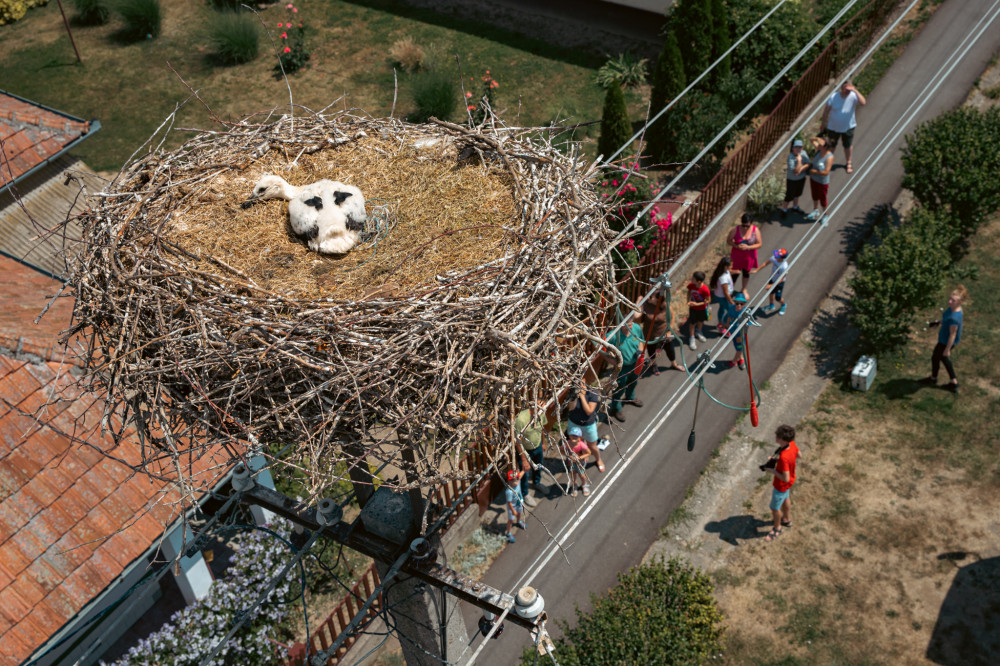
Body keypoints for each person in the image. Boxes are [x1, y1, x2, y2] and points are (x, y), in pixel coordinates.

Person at [920, 285, 967, 393]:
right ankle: (951, 382)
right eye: (950, 298)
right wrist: (939, 322)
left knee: (938, 357)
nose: (949, 301)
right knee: (940, 358)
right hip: (945, 339)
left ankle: (937, 379)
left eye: (953, 300)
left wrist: (947, 349)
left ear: (960, 302)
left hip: (946, 342)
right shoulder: (954, 308)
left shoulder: (954, 318)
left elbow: (952, 334)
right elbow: (947, 319)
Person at [606, 310, 646, 423]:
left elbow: (641, 341)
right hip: (621, 368)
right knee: (620, 387)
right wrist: (611, 360)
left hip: (635, 363)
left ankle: (630, 397)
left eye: (630, 324)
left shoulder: (636, 328)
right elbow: (601, 349)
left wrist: (640, 352)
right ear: (620, 324)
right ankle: (616, 408)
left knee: (634, 382)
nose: (629, 327)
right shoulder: (613, 336)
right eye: (626, 325)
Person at [819, 80, 867, 174]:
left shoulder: (853, 96)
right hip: (833, 128)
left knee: (847, 146)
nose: (848, 91)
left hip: (848, 127)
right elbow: (826, 110)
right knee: (831, 146)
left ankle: (848, 162)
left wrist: (855, 90)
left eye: (849, 89)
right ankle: (828, 163)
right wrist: (823, 123)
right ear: (841, 88)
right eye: (846, 89)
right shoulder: (833, 97)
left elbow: (863, 102)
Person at [764, 424, 800, 542]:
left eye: (777, 437)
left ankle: (777, 528)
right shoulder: (792, 444)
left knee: (775, 508)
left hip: (781, 486)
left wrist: (772, 470)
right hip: (788, 485)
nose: (776, 438)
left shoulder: (784, 457)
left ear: (782, 440)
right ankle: (786, 519)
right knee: (786, 499)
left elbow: (785, 478)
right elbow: (799, 455)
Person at [639, 289, 684, 375]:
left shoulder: (665, 305)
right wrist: (639, 302)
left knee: (669, 348)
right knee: (651, 349)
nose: (648, 297)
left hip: (664, 333)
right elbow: (637, 317)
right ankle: (653, 365)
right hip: (650, 333)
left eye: (651, 297)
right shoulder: (646, 304)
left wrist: (669, 330)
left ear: (658, 300)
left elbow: (672, 316)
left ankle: (674, 364)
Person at [514, 406, 548, 506]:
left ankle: (536, 482)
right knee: (525, 472)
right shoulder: (521, 420)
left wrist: (543, 443)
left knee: (538, 465)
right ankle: (525, 494)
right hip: (525, 450)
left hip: (537, 445)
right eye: (539, 409)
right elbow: (517, 440)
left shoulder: (541, 413)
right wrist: (524, 459)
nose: (541, 412)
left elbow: (542, 428)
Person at [567, 381, 604, 472]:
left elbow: (589, 411)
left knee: (592, 445)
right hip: (574, 423)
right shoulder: (572, 392)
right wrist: (575, 395)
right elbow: (571, 407)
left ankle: (598, 459)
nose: (578, 384)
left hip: (588, 425)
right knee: (576, 443)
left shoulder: (592, 392)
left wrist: (582, 396)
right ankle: (581, 458)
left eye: (581, 381)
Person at [728, 214, 762, 292]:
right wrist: (736, 246)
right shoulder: (735, 229)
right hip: (737, 256)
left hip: (749, 257)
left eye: (747, 226)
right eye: (743, 225)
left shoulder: (755, 230)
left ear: (751, 224)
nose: (745, 228)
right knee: (734, 274)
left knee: (746, 273)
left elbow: (759, 244)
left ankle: (743, 288)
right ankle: (730, 290)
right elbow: (729, 241)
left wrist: (748, 247)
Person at [752, 248, 790, 315]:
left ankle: (783, 305)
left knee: (778, 298)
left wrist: (771, 285)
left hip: (779, 283)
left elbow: (781, 279)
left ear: (782, 258)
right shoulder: (775, 258)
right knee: (770, 292)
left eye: (777, 255)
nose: (775, 256)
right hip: (772, 279)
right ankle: (771, 305)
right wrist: (756, 270)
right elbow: (765, 263)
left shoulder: (784, 266)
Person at [779, 139, 811, 217]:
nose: (798, 149)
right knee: (789, 195)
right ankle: (784, 209)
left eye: (800, 147)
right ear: (793, 148)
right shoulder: (790, 158)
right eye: (796, 147)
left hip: (801, 179)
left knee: (797, 194)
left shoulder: (804, 153)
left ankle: (795, 207)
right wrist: (799, 161)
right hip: (792, 180)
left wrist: (801, 169)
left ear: (802, 148)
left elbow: (808, 164)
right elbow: (795, 171)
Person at [805, 137, 834, 222]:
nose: (818, 145)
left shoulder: (829, 157)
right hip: (814, 179)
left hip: (822, 182)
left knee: (823, 199)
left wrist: (815, 172)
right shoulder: (819, 150)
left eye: (821, 144)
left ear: (825, 147)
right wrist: (818, 138)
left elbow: (826, 172)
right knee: (814, 195)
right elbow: (811, 140)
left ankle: (826, 215)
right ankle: (815, 210)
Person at [709, 256, 736, 336]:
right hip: (723, 297)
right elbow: (725, 292)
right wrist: (731, 301)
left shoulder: (724, 271)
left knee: (722, 308)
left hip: (720, 296)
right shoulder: (723, 278)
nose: (732, 266)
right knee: (730, 312)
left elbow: (729, 272)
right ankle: (724, 327)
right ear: (725, 266)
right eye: (731, 265)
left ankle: (720, 323)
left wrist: (735, 272)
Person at [561, 425, 591, 497]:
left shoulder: (582, 445)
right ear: (569, 435)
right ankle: (574, 485)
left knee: (582, 475)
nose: (574, 437)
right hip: (571, 463)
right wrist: (569, 456)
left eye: (576, 436)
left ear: (579, 437)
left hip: (580, 463)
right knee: (573, 474)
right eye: (572, 435)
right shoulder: (567, 444)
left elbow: (588, 453)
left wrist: (579, 458)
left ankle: (584, 484)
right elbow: (561, 450)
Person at [686, 271, 711, 351]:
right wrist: (688, 300)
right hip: (693, 309)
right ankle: (692, 337)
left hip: (701, 309)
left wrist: (697, 304)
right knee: (692, 323)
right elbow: (689, 292)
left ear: (699, 281)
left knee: (700, 321)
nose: (691, 278)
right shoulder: (691, 285)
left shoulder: (705, 289)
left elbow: (708, 300)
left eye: (693, 278)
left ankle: (699, 331)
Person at [504, 468, 526, 543]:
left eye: (517, 479)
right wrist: (513, 511)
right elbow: (509, 502)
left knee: (519, 513)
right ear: (508, 481)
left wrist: (524, 470)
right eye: (512, 480)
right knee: (510, 520)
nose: (515, 481)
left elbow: (520, 476)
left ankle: (519, 521)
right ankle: (508, 533)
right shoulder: (509, 491)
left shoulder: (518, 482)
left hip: (519, 503)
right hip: (512, 507)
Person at [729, 292, 747, 370]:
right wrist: (727, 326)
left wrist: (741, 336)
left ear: (744, 304)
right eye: (737, 303)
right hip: (733, 332)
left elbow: (747, 326)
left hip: (740, 335)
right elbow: (729, 317)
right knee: (737, 347)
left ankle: (734, 361)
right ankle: (741, 359)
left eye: (741, 304)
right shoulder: (731, 308)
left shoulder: (745, 313)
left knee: (739, 348)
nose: (739, 305)